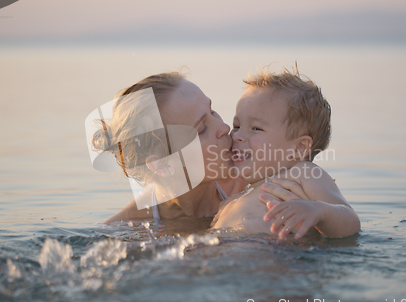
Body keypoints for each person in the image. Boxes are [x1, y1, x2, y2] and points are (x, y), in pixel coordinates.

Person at [211, 67, 361, 239]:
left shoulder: (304, 173)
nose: (236, 136)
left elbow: (351, 221)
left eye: (256, 128)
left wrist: (318, 211)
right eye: (237, 126)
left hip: (275, 257)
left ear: (299, 148)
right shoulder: (238, 195)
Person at [92, 72, 250, 223]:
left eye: (212, 112)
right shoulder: (127, 228)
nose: (224, 127)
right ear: (162, 165)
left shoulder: (256, 187)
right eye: (202, 130)